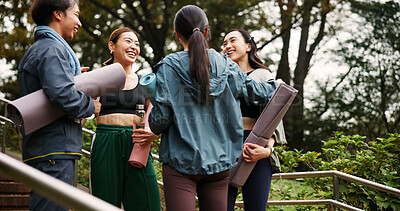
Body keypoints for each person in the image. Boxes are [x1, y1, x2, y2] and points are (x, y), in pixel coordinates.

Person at [148, 5, 280, 211]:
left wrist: (153, 109)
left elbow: (161, 119)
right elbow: (259, 92)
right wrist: (277, 86)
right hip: (219, 163)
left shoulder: (169, 66)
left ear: (176, 34)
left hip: (180, 162)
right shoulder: (227, 65)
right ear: (206, 32)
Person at [17, 0, 100, 210]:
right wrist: (91, 106)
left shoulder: (42, 48)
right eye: (76, 14)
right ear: (58, 14)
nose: (79, 22)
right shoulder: (52, 49)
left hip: (48, 147)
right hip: (53, 147)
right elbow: (62, 94)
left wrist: (73, 78)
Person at [89, 27, 161, 211]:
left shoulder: (145, 82)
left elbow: (159, 117)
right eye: (128, 41)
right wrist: (87, 105)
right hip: (106, 141)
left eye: (137, 44)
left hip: (137, 143)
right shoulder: (97, 79)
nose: (134, 47)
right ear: (111, 46)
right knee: (103, 203)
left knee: (148, 202)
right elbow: (79, 114)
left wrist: (154, 134)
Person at [222, 29, 287, 211]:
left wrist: (266, 150)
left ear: (248, 46)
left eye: (232, 40)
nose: (227, 46)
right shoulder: (220, 78)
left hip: (254, 147)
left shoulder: (263, 76)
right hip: (224, 148)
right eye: (224, 43)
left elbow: (276, 118)